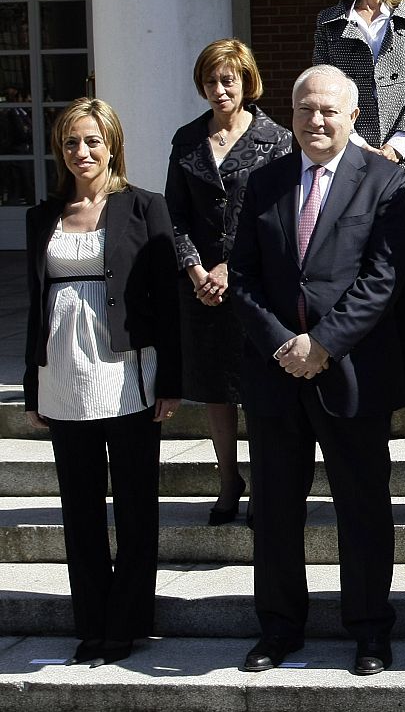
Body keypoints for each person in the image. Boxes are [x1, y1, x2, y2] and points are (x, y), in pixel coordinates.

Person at [230, 65, 405, 677]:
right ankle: (279, 629)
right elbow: (244, 277)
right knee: (276, 509)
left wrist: (324, 345)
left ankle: (368, 630)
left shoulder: (384, 181)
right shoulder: (265, 182)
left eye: (329, 110)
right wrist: (285, 342)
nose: (316, 120)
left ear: (353, 116)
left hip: (351, 374)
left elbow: (382, 279)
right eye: (305, 108)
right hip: (276, 373)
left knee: (362, 506)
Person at [24, 97, 181, 668]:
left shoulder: (144, 208)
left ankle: (129, 621)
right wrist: (30, 383)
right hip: (63, 375)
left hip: (127, 373)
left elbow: (169, 302)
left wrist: (174, 378)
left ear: (111, 143)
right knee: (80, 510)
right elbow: (36, 304)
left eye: (92, 141)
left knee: (136, 505)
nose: (82, 152)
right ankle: (92, 622)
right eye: (70, 142)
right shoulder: (43, 216)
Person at [165, 39, 292, 525]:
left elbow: (273, 215)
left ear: (246, 82)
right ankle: (227, 480)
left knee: (256, 387)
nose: (219, 90)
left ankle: (262, 485)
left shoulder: (275, 138)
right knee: (216, 388)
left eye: (228, 80)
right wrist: (195, 267)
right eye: (210, 81)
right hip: (201, 289)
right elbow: (173, 212)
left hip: (254, 281)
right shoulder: (187, 139)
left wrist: (227, 268)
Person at [313, 0, 405, 399]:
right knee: (354, 270)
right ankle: (362, 373)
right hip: (349, 161)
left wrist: (399, 145)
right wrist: (359, 143)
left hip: (403, 165)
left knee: (399, 273)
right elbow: (323, 85)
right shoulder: (329, 21)